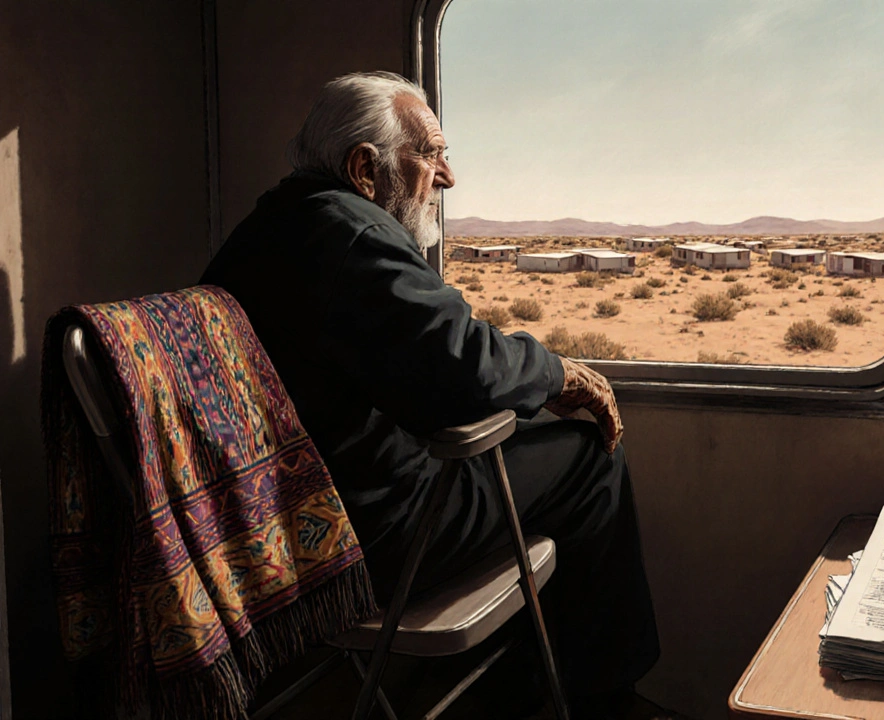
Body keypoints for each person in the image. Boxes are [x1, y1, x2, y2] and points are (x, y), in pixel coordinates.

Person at [201, 71, 670, 720]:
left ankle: (511, 692)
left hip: (280, 523)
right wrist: (560, 373)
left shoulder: (275, 224)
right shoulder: (350, 232)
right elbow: (464, 372)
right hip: (374, 532)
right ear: (365, 167)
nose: (447, 177)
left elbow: (420, 359)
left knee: (533, 453)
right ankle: (601, 702)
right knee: (592, 452)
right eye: (430, 154)